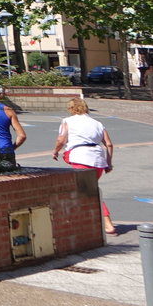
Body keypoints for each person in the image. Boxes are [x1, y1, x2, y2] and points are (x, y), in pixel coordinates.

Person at [52, 98, 116, 235]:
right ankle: (92, 220)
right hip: (98, 159)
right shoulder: (98, 123)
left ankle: (107, 224)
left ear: (71, 109)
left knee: (84, 190)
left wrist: (56, 151)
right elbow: (109, 144)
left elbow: (61, 139)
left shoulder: (68, 121)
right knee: (89, 189)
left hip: (81, 157)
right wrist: (108, 163)